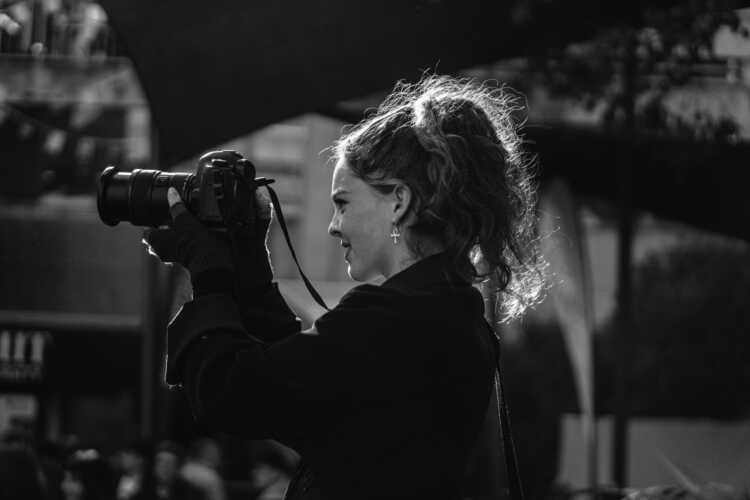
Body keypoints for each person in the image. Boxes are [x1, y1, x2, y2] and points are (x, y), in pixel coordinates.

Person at [143, 75, 543, 500]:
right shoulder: (446, 312)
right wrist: (248, 262)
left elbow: (236, 393)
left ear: (399, 202)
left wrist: (209, 270)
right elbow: (296, 392)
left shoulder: (395, 320)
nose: (334, 226)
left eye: (343, 203)